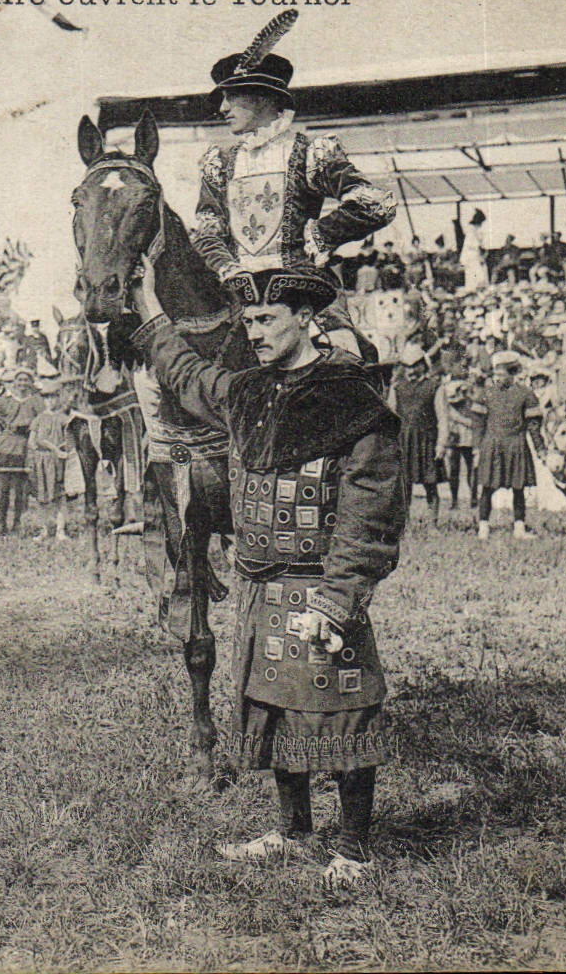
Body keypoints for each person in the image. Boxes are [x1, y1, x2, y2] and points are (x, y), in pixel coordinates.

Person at [130, 253, 406, 889]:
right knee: (274, 703)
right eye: (248, 320)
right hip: (260, 585)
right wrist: (149, 306)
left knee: (340, 708)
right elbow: (187, 373)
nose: (253, 332)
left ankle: (356, 847)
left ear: (306, 319)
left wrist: (339, 599)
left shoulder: (351, 400)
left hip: (319, 587)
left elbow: (371, 511)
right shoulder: (247, 391)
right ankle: (292, 830)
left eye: (267, 319)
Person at [191, 11, 397, 361]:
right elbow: (206, 232)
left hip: (304, 294)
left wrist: (323, 234)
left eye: (231, 97)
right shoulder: (219, 162)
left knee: (347, 362)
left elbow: (375, 202)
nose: (222, 108)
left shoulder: (309, 153)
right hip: (238, 295)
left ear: (262, 97)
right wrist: (229, 268)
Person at [471, 350, 542, 540]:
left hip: (516, 445)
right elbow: (477, 423)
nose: (498, 378)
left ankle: (519, 528)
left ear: (513, 373)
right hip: (491, 445)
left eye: (502, 374)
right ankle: (483, 527)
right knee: (486, 487)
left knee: (518, 488)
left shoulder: (526, 394)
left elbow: (534, 425)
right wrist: (477, 447)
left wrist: (540, 448)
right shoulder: (486, 394)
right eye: (496, 374)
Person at [388, 343, 443, 523]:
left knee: (431, 484)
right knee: (404, 485)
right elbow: (391, 416)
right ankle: (405, 523)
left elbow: (443, 418)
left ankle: (432, 523)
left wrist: (441, 444)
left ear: (422, 365)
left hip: (427, 440)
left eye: (415, 366)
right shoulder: (397, 387)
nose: (411, 370)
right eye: (407, 366)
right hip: (405, 441)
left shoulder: (434, 386)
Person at [0, 366, 39, 536]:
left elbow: (40, 420)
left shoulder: (35, 401)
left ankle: (17, 522)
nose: (22, 384)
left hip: (25, 446)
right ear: (14, 382)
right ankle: (1, 521)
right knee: (2, 487)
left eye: (26, 380)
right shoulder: (4, 400)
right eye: (20, 380)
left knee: (21, 488)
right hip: (6, 445)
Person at [27, 376, 73, 540]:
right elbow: (33, 441)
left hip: (57, 462)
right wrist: (44, 449)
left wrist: (62, 450)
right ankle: (44, 529)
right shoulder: (38, 419)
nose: (50, 401)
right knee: (42, 498)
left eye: (54, 397)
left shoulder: (63, 418)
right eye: (47, 398)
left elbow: (70, 437)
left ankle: (61, 530)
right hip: (42, 462)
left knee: (60, 497)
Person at [438, 362, 480, 510]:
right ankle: (457, 500)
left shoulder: (471, 390)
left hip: (464, 431)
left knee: (469, 466)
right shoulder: (450, 389)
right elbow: (449, 409)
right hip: (457, 430)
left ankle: (472, 499)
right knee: (457, 467)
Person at [459, 209, 489, 291]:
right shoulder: (472, 230)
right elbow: (476, 245)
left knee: (474, 276)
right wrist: (482, 256)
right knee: (477, 276)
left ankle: (475, 289)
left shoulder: (474, 230)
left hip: (473, 256)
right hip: (472, 256)